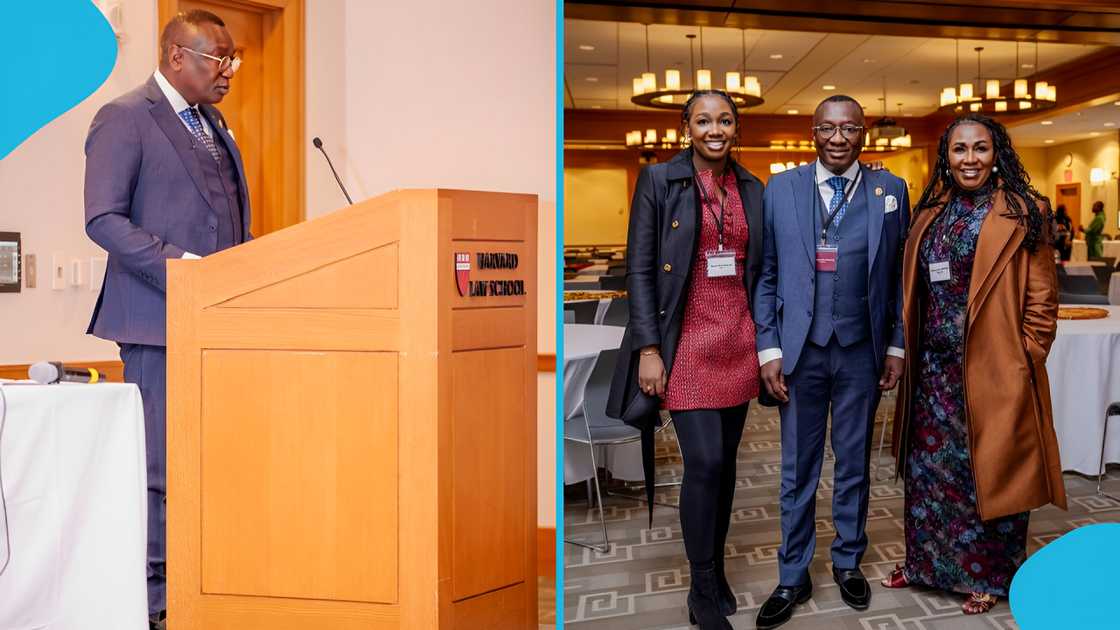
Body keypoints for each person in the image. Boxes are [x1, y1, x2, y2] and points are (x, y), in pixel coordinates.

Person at [83, 10, 249, 629]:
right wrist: (181, 268)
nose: (229, 71)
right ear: (177, 56)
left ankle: (201, 587)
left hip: (217, 324)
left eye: (233, 59)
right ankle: (154, 604)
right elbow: (103, 218)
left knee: (208, 466)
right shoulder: (125, 117)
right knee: (158, 468)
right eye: (218, 58)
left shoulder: (215, 124)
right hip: (156, 322)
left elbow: (225, 219)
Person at [883, 114, 1067, 614]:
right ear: (946, 155)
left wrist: (1024, 355)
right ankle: (926, 565)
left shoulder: (1025, 211)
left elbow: (1043, 300)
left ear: (996, 152)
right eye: (959, 150)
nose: (970, 159)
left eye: (980, 149)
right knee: (932, 472)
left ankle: (989, 574)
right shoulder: (930, 212)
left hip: (993, 367)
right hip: (933, 370)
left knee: (991, 469)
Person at [606, 90, 764, 630]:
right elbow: (641, 269)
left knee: (726, 468)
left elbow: (758, 270)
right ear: (685, 126)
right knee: (706, 464)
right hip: (686, 343)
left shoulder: (751, 187)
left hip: (738, 341)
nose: (714, 129)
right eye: (703, 120)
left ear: (735, 127)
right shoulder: (659, 181)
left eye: (724, 119)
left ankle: (716, 570)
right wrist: (649, 348)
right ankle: (701, 586)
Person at [751, 94, 909, 630]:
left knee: (854, 463)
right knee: (797, 468)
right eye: (827, 128)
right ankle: (792, 573)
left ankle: (847, 561)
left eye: (849, 128)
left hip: (862, 351)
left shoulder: (891, 190)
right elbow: (766, 274)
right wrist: (768, 349)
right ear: (812, 132)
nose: (838, 138)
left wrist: (895, 346)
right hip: (799, 352)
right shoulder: (783, 188)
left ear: (865, 133)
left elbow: (897, 280)